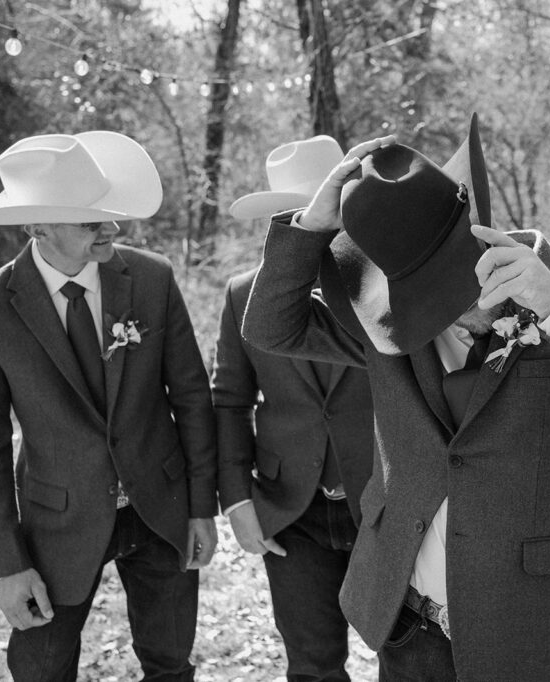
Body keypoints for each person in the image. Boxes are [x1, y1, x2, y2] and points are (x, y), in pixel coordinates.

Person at [240, 114, 550, 681]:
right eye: (420, 294)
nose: (436, 311)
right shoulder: (391, 320)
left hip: (533, 630)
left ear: (482, 233)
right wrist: (311, 227)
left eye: (447, 288)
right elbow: (270, 328)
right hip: (407, 622)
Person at [0, 131, 217, 681]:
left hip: (161, 507)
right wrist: (7, 565)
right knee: (41, 672)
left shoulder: (152, 279)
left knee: (171, 665)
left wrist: (200, 507)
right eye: (89, 221)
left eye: (108, 214)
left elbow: (192, 398)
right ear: (36, 226)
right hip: (57, 522)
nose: (112, 229)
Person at [213, 135, 375, 681]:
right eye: (297, 214)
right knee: (311, 666)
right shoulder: (242, 295)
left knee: (409, 660)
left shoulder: (387, 290)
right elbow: (229, 401)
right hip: (291, 510)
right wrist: (237, 500)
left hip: (382, 504)